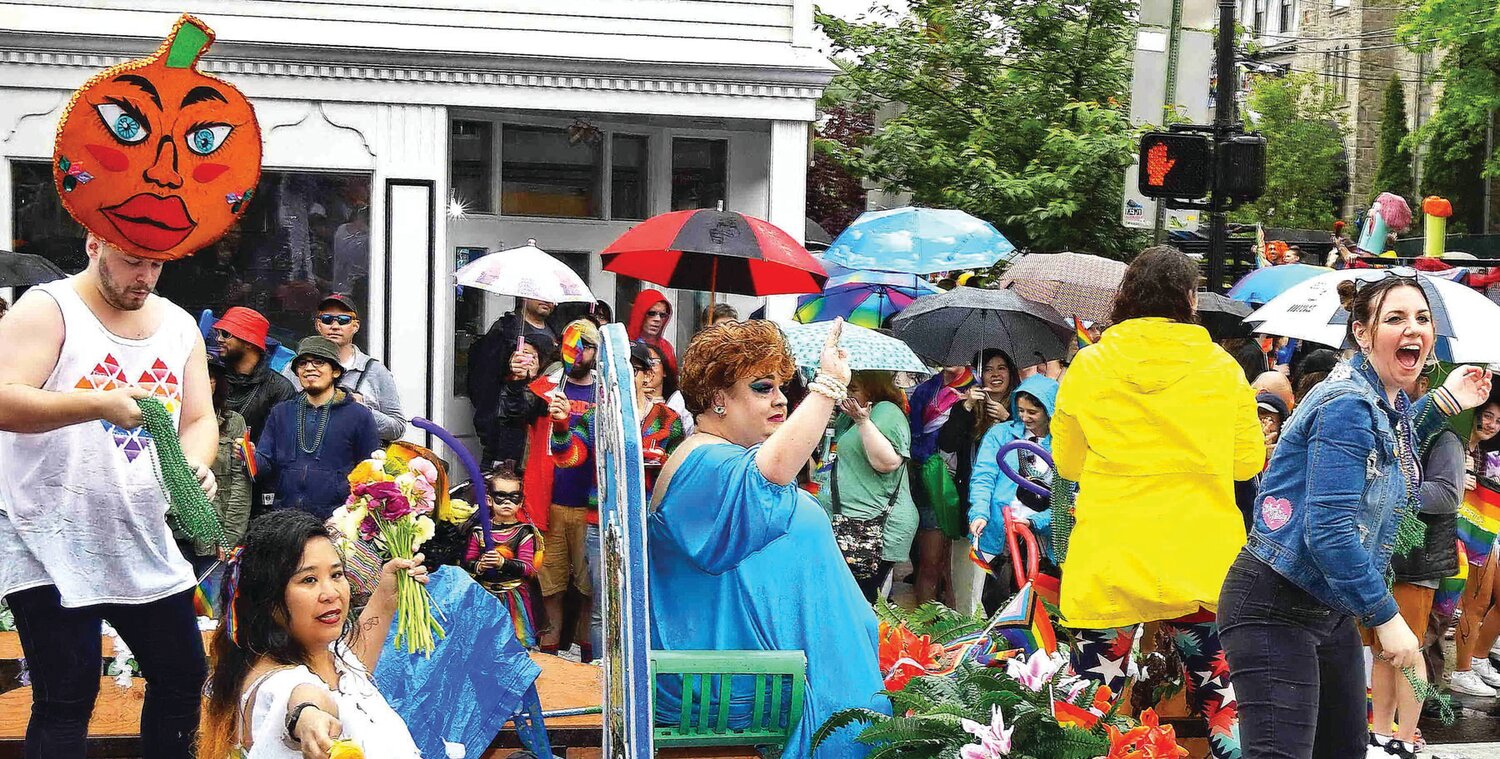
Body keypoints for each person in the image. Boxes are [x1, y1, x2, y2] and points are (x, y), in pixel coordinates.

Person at [1217, 274, 1492, 757]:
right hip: (1273, 608)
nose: (1414, 329)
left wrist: (1447, 401)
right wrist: (1387, 618)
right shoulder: (1346, 402)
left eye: (1422, 319)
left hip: (1327, 609)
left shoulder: (1385, 400)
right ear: (1362, 333)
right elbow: (1328, 530)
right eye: (1395, 319)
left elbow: (1391, 449)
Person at [0, 233, 219, 759]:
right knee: (67, 694)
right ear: (95, 244)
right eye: (132, 260)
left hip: (139, 533)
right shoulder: (48, 308)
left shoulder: (179, 325)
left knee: (183, 674)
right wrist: (97, 405)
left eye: (156, 264)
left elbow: (198, 418)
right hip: (44, 533)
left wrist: (194, 465)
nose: (144, 276)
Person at [1052, 246, 1264, 759]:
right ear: (1190, 299)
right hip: (1202, 560)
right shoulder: (1223, 369)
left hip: (1111, 557)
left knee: (1087, 706)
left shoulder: (1089, 365)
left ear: (1125, 297)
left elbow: (1067, 463)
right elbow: (1247, 463)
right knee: (1222, 703)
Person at [648, 319, 886, 759]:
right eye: (762, 387)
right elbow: (770, 476)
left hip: (767, 677)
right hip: (736, 683)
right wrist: (828, 386)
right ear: (718, 398)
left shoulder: (716, 457)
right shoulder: (703, 461)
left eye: (781, 386)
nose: (779, 400)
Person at [198, 510, 426, 759]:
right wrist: (308, 717)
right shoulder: (276, 683)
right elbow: (302, 699)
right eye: (308, 580)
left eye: (336, 575)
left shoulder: (327, 656)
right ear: (268, 599)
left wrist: (385, 598)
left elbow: (355, 664)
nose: (331, 593)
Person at [553, 342, 685, 655]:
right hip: (602, 523)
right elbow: (568, 457)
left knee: (649, 601)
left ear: (645, 376)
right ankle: (600, 679)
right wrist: (561, 424)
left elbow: (680, 472)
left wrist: (661, 461)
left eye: (632, 370)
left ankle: (645, 674)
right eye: (615, 371)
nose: (623, 377)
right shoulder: (596, 418)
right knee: (604, 607)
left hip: (650, 523)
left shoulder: (668, 420)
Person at [1369, 371, 1463, 759]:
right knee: (1382, 649)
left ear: (1425, 387)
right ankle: (1379, 733)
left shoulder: (1445, 438)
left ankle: (1405, 737)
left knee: (1409, 651)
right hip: (1385, 557)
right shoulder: (1387, 428)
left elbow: (1447, 495)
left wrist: (1390, 487)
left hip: (1418, 560)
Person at [523, 319, 600, 659]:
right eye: (573, 342)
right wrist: (517, 380)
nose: (579, 351)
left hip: (591, 507)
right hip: (549, 502)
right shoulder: (544, 389)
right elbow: (511, 411)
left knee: (589, 591)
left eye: (587, 344)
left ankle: (585, 666)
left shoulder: (606, 394)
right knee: (550, 588)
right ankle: (550, 664)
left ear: (597, 352)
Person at [256, 337, 381, 519]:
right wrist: (248, 456)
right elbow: (265, 462)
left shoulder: (359, 415)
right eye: (303, 364)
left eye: (318, 362)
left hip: (338, 520)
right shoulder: (281, 412)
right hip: (285, 518)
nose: (309, 368)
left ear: (336, 371)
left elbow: (370, 472)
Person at [819, 370, 914, 602]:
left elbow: (888, 462)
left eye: (853, 390)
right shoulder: (846, 416)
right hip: (846, 522)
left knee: (862, 599)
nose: (846, 396)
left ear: (873, 388)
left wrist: (863, 421)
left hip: (874, 526)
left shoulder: (887, 412)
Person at [969, 375, 1059, 609]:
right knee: (993, 605)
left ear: (1050, 410)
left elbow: (1067, 499)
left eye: (1032, 412)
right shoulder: (1001, 434)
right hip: (999, 531)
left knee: (1041, 612)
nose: (1024, 417)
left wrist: (1036, 522)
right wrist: (979, 513)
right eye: (1020, 410)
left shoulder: (1064, 443)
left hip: (1043, 542)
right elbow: (983, 476)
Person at [282, 294, 405, 443]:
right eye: (327, 319)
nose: (335, 326)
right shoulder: (296, 368)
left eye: (344, 320)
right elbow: (280, 420)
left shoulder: (375, 370)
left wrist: (362, 410)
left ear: (356, 326)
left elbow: (397, 428)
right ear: (318, 325)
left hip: (360, 462)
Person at [175, 359, 254, 574]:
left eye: (209, 377)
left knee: (209, 605)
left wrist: (228, 536)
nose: (201, 383)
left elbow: (241, 485)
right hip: (168, 531)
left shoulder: (233, 422)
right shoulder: (162, 419)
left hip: (212, 536)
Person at [907, 366, 976, 607]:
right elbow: (914, 434)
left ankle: (948, 622)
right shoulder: (925, 391)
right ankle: (926, 630)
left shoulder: (976, 389)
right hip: (931, 480)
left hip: (965, 484)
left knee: (951, 565)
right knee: (931, 561)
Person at [462, 462, 542, 648]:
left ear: (521, 502)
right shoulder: (479, 531)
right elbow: (466, 563)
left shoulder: (524, 532)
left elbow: (529, 568)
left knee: (516, 645)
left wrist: (503, 563)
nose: (507, 502)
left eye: (514, 497)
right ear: (489, 500)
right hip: (485, 596)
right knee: (484, 644)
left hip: (514, 598)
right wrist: (479, 566)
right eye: (501, 496)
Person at [1451, 396, 1500, 698]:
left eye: (1498, 421)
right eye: (1487, 416)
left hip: (1482, 530)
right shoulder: (1452, 444)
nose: (1492, 425)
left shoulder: (1482, 452)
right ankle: (1461, 670)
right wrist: (1461, 474)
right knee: (1473, 603)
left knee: (1483, 601)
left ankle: (1477, 658)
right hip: (1458, 532)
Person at [469, 298, 560, 453]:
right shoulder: (505, 330)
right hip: (505, 430)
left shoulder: (557, 333)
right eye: (540, 293)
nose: (547, 300)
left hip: (540, 427)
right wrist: (510, 369)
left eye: (552, 296)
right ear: (525, 295)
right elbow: (482, 380)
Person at [215, 306, 297, 439]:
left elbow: (281, 442)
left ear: (249, 343)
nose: (218, 339)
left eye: (225, 334)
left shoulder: (280, 389)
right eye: (217, 333)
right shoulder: (212, 377)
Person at [479, 333, 551, 467]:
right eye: (518, 354)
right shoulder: (497, 382)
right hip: (498, 456)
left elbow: (525, 413)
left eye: (529, 355)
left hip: (526, 461)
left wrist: (530, 380)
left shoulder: (546, 387)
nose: (522, 360)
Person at [626, 288, 677, 372]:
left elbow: (673, 380)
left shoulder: (666, 348)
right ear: (639, 314)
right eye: (651, 313)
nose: (658, 319)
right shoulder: (624, 344)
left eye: (662, 315)